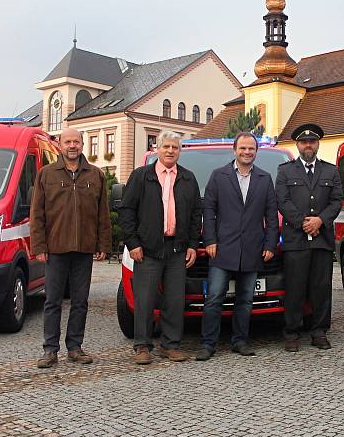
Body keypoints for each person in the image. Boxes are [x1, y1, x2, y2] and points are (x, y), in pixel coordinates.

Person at [118, 131, 202, 364]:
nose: (170, 151)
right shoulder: (141, 176)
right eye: (166, 146)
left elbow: (196, 214)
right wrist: (132, 243)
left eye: (175, 147)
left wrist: (193, 245)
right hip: (148, 249)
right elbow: (126, 211)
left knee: (175, 300)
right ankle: (142, 346)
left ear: (180, 151)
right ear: (157, 148)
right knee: (144, 299)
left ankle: (170, 345)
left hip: (177, 248)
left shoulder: (188, 178)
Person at [31, 128, 111, 369]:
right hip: (55, 249)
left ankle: (75, 347)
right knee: (53, 301)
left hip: (84, 249)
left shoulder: (95, 175)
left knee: (80, 301)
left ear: (82, 144)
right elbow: (37, 214)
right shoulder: (46, 175)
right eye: (68, 142)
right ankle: (50, 349)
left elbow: (103, 214)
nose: (72, 146)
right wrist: (39, 246)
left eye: (76, 141)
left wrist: (103, 244)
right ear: (60, 145)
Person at [196, 132, 279, 361]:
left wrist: (271, 244)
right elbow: (209, 211)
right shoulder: (218, 176)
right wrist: (210, 240)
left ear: (256, 151)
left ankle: (240, 341)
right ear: (235, 150)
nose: (247, 152)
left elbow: (271, 215)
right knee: (214, 298)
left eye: (251, 149)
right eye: (243, 148)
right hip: (222, 249)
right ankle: (208, 343)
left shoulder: (264, 178)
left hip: (252, 249)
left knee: (245, 299)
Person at [276, 123, 342, 352]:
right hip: (296, 239)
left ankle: (319, 331)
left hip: (322, 238)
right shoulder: (285, 171)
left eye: (312, 141)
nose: (308, 145)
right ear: (297, 145)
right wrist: (304, 222)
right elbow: (282, 201)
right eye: (304, 142)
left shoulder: (330, 171)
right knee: (295, 287)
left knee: (321, 287)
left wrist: (320, 221)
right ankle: (292, 332)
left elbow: (336, 201)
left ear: (317, 144)